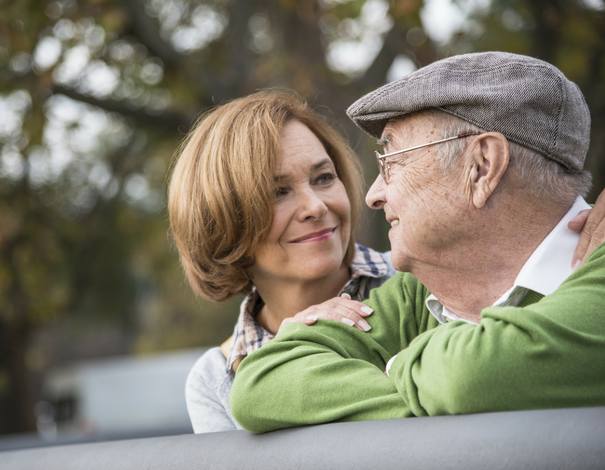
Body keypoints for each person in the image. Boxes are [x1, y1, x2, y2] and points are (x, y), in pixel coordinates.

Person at [230, 52, 605, 433]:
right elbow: (261, 383)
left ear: (482, 167)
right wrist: (436, 392)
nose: (373, 195)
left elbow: (470, 378)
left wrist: (395, 364)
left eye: (391, 161)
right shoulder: (422, 291)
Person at [167, 92, 398, 433]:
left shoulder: (423, 277)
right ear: (224, 224)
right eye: (278, 193)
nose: (316, 207)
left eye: (323, 178)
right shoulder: (216, 379)